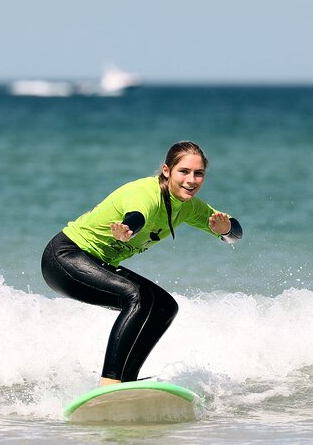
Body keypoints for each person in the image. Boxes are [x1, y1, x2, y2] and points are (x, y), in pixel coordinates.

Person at [41, 141, 242, 387]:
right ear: (167, 171)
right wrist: (129, 230)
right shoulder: (146, 193)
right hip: (65, 258)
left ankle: (126, 381)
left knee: (164, 307)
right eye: (184, 171)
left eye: (198, 173)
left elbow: (234, 234)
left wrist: (226, 229)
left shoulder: (189, 207)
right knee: (137, 297)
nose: (191, 180)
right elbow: (137, 216)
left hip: (92, 263)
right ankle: (110, 382)